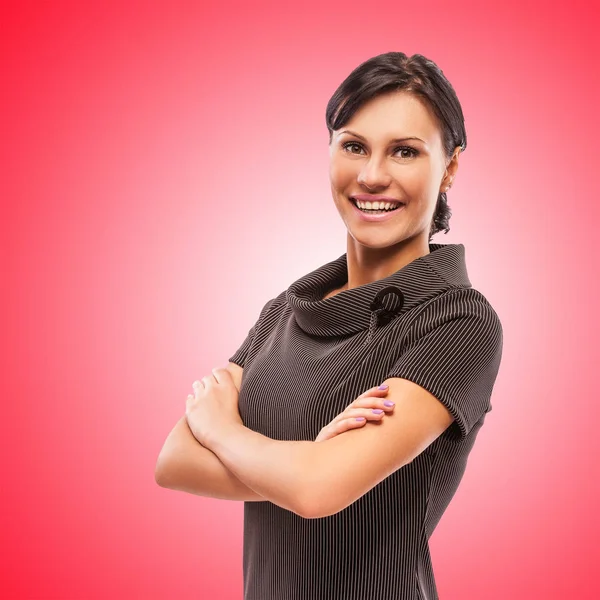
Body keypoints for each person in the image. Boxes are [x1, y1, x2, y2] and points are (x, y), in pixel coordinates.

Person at [155, 51, 504, 600]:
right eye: (354, 145)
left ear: (451, 167)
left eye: (405, 151)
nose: (372, 175)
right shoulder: (288, 308)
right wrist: (306, 462)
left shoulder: (457, 321)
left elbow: (317, 491)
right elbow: (173, 461)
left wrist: (228, 434)